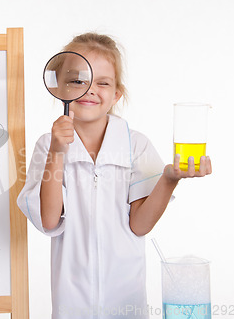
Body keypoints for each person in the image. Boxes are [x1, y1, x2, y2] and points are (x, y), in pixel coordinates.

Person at [16, 33, 212, 319]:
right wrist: (58, 152)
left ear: (116, 94)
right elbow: (48, 220)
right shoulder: (48, 146)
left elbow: (140, 225)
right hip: (72, 304)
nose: (90, 90)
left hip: (126, 304)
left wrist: (169, 179)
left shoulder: (136, 145)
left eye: (103, 83)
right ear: (59, 86)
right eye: (78, 80)